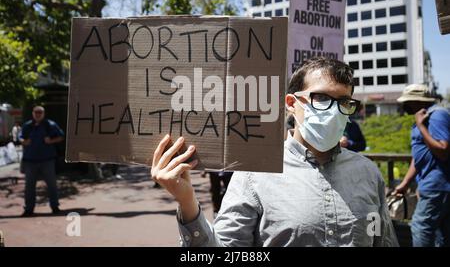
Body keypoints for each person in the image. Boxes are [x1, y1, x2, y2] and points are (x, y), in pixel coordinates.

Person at [150, 58, 398, 246]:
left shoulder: (367, 173)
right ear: (292, 104)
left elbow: (383, 240)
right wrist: (187, 202)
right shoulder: (255, 174)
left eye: (344, 102)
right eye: (321, 98)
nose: (334, 111)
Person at [394, 84, 450, 247]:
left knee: (420, 227)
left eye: (407, 102)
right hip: (432, 184)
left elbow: (443, 149)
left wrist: (421, 127)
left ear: (417, 101)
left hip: (437, 184)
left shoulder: (437, 115)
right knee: (441, 232)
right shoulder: (427, 117)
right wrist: (405, 183)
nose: (404, 106)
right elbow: (420, 157)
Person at [19, 106, 64, 217]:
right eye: (36, 112)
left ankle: (55, 207)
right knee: (29, 186)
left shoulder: (50, 124)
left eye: (40, 112)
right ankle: (29, 209)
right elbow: (20, 137)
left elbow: (61, 136)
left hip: (47, 160)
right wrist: (24, 141)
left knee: (51, 185)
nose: (38, 114)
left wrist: (51, 140)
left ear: (44, 113)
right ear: (33, 113)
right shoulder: (27, 125)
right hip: (30, 161)